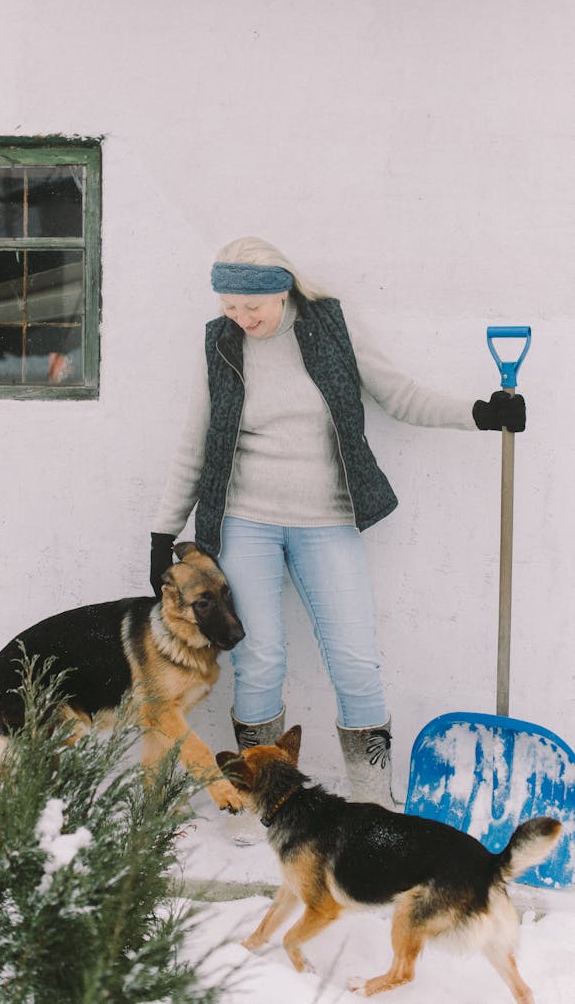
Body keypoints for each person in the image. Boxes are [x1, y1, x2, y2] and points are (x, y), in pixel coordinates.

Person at [150, 236, 525, 815]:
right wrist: (162, 532)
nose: (242, 319)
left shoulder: (328, 327)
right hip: (244, 521)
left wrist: (478, 413)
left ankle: (373, 802)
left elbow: (398, 395)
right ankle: (263, 798)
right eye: (229, 308)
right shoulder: (221, 343)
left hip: (327, 519)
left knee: (354, 659)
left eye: (253, 308)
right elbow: (194, 444)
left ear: (283, 290)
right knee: (261, 659)